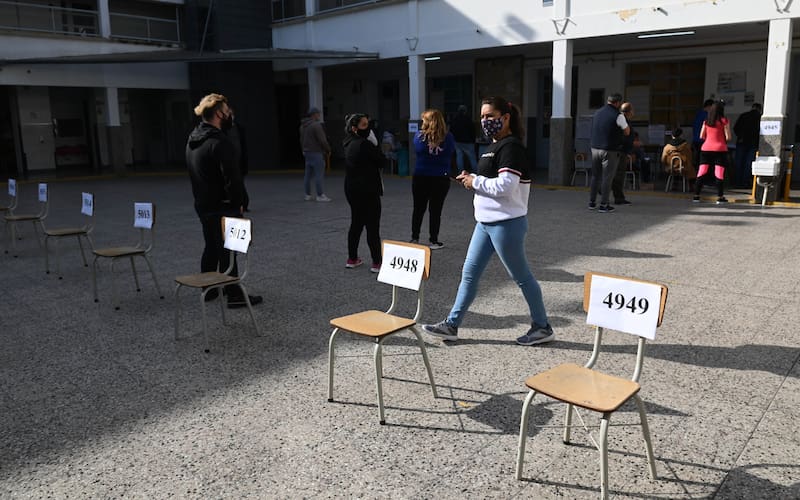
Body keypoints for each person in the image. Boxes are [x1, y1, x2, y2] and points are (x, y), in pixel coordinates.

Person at [422, 96, 553, 347]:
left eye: (490, 116)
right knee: (469, 275)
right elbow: (491, 179)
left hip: (506, 224)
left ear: (506, 117)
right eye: (482, 116)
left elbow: (506, 186)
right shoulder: (494, 145)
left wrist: (475, 182)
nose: (485, 121)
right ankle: (452, 324)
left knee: (522, 277)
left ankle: (542, 326)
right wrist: (471, 177)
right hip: (485, 223)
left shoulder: (511, 147)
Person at [186, 93, 262, 308]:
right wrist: (238, 203)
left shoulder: (193, 139)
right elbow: (233, 179)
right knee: (229, 251)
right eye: (228, 113)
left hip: (202, 204)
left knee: (211, 246)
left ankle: (208, 289)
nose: (230, 116)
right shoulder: (220, 142)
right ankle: (235, 294)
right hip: (222, 206)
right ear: (219, 113)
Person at [343, 113, 385, 272]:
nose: (368, 128)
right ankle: (377, 262)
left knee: (356, 223)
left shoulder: (347, 142)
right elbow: (381, 160)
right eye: (364, 125)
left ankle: (352, 258)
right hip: (368, 190)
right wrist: (374, 144)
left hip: (352, 189)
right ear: (354, 128)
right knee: (372, 226)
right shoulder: (365, 144)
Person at [411, 109, 456, 250]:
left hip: (421, 176)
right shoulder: (448, 137)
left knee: (418, 208)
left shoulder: (419, 136)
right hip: (440, 177)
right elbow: (451, 152)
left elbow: (417, 150)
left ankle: (415, 237)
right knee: (436, 210)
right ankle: (434, 240)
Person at [589, 93, 630, 213]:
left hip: (595, 148)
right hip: (610, 150)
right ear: (618, 103)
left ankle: (592, 202)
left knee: (595, 176)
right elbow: (627, 131)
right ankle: (604, 204)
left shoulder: (597, 113)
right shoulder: (618, 115)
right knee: (607, 177)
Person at [693, 100, 732, 204]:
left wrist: (709, 137)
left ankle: (696, 196)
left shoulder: (706, 121)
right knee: (719, 173)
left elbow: (701, 136)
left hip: (706, 148)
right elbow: (728, 137)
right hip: (720, 149)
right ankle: (720, 197)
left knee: (702, 172)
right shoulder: (724, 121)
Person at [300, 107, 332, 202]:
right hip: (317, 152)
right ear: (314, 114)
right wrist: (328, 149)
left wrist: (303, 149)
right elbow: (322, 140)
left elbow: (301, 139)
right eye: (318, 114)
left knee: (307, 175)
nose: (319, 115)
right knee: (319, 175)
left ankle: (307, 194)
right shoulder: (316, 126)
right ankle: (320, 195)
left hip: (307, 152)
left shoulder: (303, 126)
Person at [225, 109, 250, 212]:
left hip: (238, 160)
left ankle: (243, 203)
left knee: (239, 183)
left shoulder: (238, 127)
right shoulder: (224, 129)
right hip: (231, 160)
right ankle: (241, 203)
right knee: (236, 183)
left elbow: (242, 145)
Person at [611, 102, 635, 206]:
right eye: (632, 110)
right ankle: (619, 198)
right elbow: (625, 137)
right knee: (619, 175)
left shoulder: (622, 120)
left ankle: (603, 188)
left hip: (619, 151)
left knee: (615, 174)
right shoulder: (623, 121)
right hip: (621, 151)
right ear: (629, 112)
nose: (633, 112)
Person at [733, 103, 762, 188]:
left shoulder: (743, 115)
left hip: (741, 142)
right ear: (759, 109)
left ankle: (737, 182)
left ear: (752, 107)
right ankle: (745, 182)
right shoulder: (759, 117)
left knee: (739, 162)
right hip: (753, 143)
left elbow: (735, 128)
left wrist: (740, 136)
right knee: (748, 164)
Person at [450, 104, 477, 172]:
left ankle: (461, 172)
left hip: (457, 141)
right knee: (472, 157)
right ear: (465, 111)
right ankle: (476, 171)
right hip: (468, 141)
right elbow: (472, 131)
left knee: (459, 157)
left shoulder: (455, 119)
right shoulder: (468, 119)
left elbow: (451, 130)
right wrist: (473, 140)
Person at [692, 99, 715, 170]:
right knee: (704, 161)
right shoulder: (706, 115)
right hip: (703, 141)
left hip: (696, 140)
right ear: (709, 106)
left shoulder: (698, 114)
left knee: (698, 159)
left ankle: (697, 175)